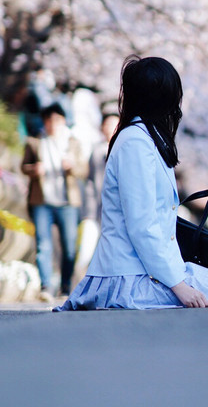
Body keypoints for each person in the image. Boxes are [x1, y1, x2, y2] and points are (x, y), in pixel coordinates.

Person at [56, 56, 208, 344]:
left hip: (142, 271)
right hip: (131, 279)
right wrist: (179, 286)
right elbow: (143, 226)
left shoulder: (142, 139)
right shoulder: (136, 143)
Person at [21, 103, 89, 299]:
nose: (52, 125)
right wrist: (34, 170)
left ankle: (65, 285)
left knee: (69, 246)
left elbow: (83, 170)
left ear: (63, 121)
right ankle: (46, 287)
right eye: (48, 121)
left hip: (68, 202)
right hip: (42, 200)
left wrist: (72, 167)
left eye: (56, 120)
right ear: (44, 122)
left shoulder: (73, 142)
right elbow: (23, 166)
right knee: (43, 244)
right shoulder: (34, 141)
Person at [72, 110, 119, 286]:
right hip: (95, 209)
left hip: (115, 210)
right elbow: (89, 181)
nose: (109, 129)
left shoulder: (124, 148)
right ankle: (78, 285)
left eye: (113, 125)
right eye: (107, 125)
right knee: (87, 248)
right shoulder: (97, 150)